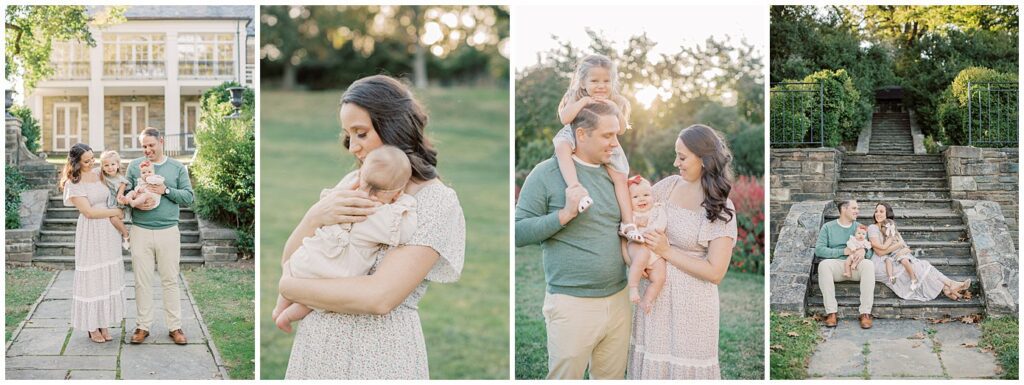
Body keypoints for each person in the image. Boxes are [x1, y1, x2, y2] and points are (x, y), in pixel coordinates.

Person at [278, 75, 465, 380]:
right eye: (348, 135)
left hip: (380, 353)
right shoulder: (353, 183)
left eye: (361, 133)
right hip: (317, 348)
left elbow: (379, 297)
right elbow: (293, 257)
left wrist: (289, 287)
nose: (352, 147)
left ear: (394, 126)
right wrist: (314, 216)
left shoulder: (436, 202)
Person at [515, 101, 630, 379]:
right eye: (607, 135)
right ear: (581, 134)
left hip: (619, 300)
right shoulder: (546, 174)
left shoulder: (614, 175)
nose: (615, 143)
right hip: (571, 304)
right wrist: (564, 215)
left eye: (616, 134)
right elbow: (518, 232)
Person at [628, 124, 738, 380]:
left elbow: (716, 272)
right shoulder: (668, 187)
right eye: (676, 155)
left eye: (682, 157)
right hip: (655, 302)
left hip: (693, 309)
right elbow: (636, 214)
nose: (676, 162)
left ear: (704, 158)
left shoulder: (719, 206)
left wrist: (665, 251)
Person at [273, 145, 417, 333]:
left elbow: (329, 196)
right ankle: (286, 316)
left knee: (293, 269)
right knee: (314, 301)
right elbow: (405, 230)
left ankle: (279, 309)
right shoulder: (380, 215)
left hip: (309, 258)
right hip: (335, 274)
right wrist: (407, 202)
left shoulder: (344, 196)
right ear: (397, 193)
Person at [551, 54, 639, 241]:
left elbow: (621, 130)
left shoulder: (615, 101)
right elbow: (565, 119)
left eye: (606, 81)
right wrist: (583, 102)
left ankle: (628, 223)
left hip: (606, 142)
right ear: (583, 83)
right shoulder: (576, 96)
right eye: (595, 81)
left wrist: (613, 107)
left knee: (621, 177)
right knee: (561, 147)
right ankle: (576, 189)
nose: (601, 85)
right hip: (574, 134)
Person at [125, 127, 195, 345]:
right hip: (140, 230)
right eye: (144, 146)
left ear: (161, 142)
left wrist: (165, 190)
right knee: (141, 281)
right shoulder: (134, 166)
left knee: (170, 280)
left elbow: (188, 197)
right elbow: (125, 194)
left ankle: (175, 327)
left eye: (151, 145)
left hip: (168, 231)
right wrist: (133, 199)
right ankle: (142, 326)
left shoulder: (176, 167)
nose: (147, 150)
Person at [60, 143, 127, 343]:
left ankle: (103, 321)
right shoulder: (75, 182)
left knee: (107, 275)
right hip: (91, 231)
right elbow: (88, 212)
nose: (92, 163)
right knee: (93, 277)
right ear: (76, 162)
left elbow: (120, 182)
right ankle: (91, 326)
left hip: (108, 231)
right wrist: (115, 212)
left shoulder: (100, 173)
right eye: (87, 161)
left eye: (93, 158)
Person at [868, 203, 971, 301]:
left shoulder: (891, 229)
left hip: (896, 257)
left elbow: (907, 248)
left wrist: (901, 251)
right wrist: (898, 246)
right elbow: (880, 252)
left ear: (887, 214)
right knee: (916, 267)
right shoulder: (873, 228)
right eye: (876, 211)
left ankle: (947, 287)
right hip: (881, 263)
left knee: (923, 264)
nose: (878, 214)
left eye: (881, 211)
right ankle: (948, 286)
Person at [814, 200, 875, 329]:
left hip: (856, 265)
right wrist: (842, 251)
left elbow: (870, 251)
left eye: (857, 208)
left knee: (869, 265)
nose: (857, 211)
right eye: (854, 208)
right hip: (837, 265)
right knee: (823, 265)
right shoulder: (828, 227)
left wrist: (864, 251)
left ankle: (865, 313)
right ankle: (831, 312)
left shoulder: (860, 227)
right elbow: (819, 249)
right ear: (843, 209)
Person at [623, 175, 667, 314]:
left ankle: (647, 300)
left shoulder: (657, 209)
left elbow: (662, 223)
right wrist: (635, 223)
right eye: (635, 197)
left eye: (646, 195)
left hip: (655, 250)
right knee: (643, 254)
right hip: (637, 245)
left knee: (660, 277)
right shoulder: (630, 214)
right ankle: (633, 287)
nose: (642, 199)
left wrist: (653, 227)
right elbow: (622, 229)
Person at [98, 150, 131, 249]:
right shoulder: (102, 177)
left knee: (113, 218)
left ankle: (126, 234)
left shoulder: (121, 181)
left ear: (118, 165)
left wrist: (120, 199)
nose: (110, 167)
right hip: (106, 202)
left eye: (113, 164)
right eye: (106, 165)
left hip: (117, 204)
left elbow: (120, 195)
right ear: (102, 167)